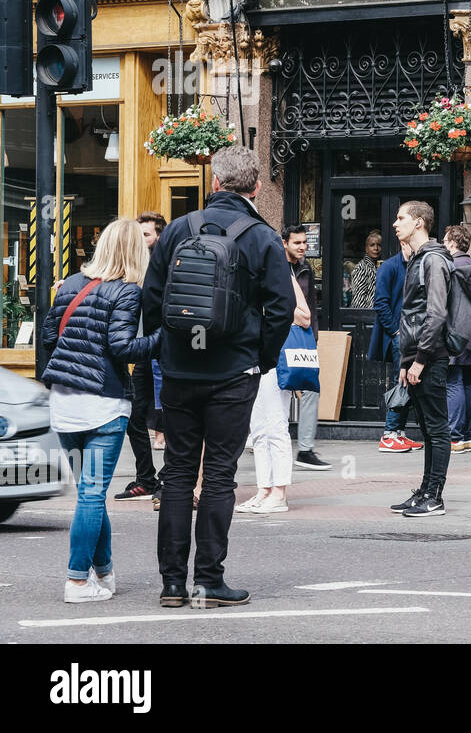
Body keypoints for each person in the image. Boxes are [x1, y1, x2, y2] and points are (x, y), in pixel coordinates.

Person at [141, 145, 296, 608]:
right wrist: (261, 357)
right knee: (220, 477)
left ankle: (171, 584)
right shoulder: (262, 237)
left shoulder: (178, 230)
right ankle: (209, 580)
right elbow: (282, 309)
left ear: (213, 183)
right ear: (256, 187)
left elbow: (151, 299)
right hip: (233, 373)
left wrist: (170, 349)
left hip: (179, 371)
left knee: (178, 473)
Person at [41, 218, 159, 603]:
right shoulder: (127, 291)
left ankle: (104, 573)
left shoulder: (71, 284)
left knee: (90, 493)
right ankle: (77, 581)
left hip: (64, 404)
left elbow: (47, 335)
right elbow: (123, 348)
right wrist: (162, 338)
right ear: (134, 252)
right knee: (92, 495)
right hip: (104, 407)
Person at [388, 201, 454, 517]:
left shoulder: (433, 260)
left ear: (418, 223)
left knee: (437, 429)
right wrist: (405, 362)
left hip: (432, 358)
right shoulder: (417, 259)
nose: (395, 223)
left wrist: (420, 360)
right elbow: (412, 315)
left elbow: (436, 313)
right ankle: (425, 491)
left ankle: (435, 496)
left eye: (401, 218)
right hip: (418, 358)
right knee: (427, 429)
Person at [237, 272, 315, 515]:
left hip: (274, 357)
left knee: (276, 425)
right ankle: (264, 489)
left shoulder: (282, 273)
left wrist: (271, 308)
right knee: (258, 428)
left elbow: (305, 317)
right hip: (252, 356)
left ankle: (279, 492)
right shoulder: (249, 272)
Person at [114, 211, 167, 503]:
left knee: (171, 418)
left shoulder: (165, 264)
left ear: (158, 235)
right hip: (144, 351)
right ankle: (146, 478)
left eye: (146, 234)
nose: (141, 240)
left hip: (166, 353)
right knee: (134, 415)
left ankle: (167, 480)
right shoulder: (133, 265)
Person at [282, 225, 330, 471]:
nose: (302, 247)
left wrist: (313, 337)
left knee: (311, 387)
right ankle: (272, 442)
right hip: (279, 336)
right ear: (284, 243)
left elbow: (311, 304)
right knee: (280, 391)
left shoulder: (305, 268)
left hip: (302, 336)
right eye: (296, 243)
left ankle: (305, 449)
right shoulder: (276, 267)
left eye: (304, 242)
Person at [373, 240, 422, 452]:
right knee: (400, 381)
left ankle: (399, 432)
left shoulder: (416, 265)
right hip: (399, 334)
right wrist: (396, 331)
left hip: (412, 334)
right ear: (403, 243)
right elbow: (380, 302)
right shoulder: (389, 267)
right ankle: (389, 433)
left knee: (408, 381)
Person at [443, 224, 471, 453]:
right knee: (467, 379)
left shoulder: (452, 267)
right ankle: (468, 436)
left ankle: (455, 436)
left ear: (453, 243)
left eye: (446, 241)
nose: (444, 245)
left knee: (454, 380)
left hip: (455, 329)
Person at [349, 230, 382, 310]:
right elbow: (358, 301)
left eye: (379, 245)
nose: (376, 248)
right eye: (372, 245)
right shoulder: (362, 268)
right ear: (366, 249)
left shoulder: (379, 266)